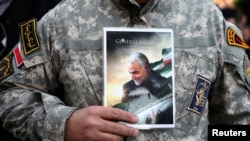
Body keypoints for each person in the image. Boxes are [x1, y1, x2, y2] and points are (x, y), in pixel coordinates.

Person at [0, 0, 250, 141]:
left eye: (137, 72)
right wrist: (62, 125)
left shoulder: (208, 20)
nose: (133, 77)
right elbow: (10, 93)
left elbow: (236, 121)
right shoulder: (62, 20)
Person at [114, 52, 173, 124]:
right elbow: (125, 114)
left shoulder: (166, 85)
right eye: (130, 73)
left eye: (135, 72)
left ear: (147, 68)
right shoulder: (127, 87)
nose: (132, 77)